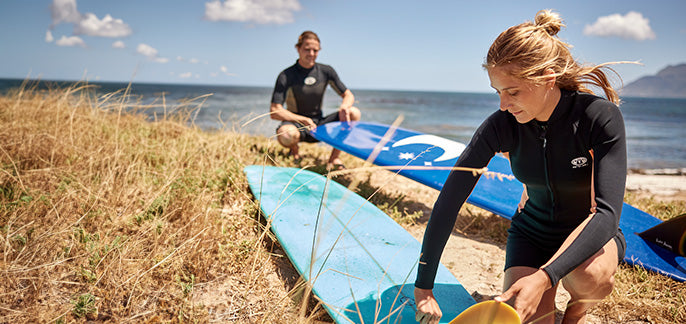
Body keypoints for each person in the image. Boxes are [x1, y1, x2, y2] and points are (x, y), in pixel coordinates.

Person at [414, 10, 628, 324]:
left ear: (547, 78)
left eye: (512, 92)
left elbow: (608, 214)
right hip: (532, 235)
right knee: (525, 318)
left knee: (589, 276)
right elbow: (450, 198)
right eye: (498, 92)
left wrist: (545, 277)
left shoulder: (598, 117)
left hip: (588, 235)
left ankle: (578, 308)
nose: (503, 104)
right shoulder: (501, 125)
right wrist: (424, 287)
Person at [270, 30, 361, 170]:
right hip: (296, 125)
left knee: (354, 113)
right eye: (307, 49)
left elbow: (348, 95)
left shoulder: (326, 71)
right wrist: (302, 119)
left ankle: (334, 158)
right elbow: (275, 111)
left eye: (315, 50)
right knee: (286, 134)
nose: (311, 54)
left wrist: (344, 106)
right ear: (298, 49)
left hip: (318, 125)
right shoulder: (286, 75)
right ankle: (294, 152)